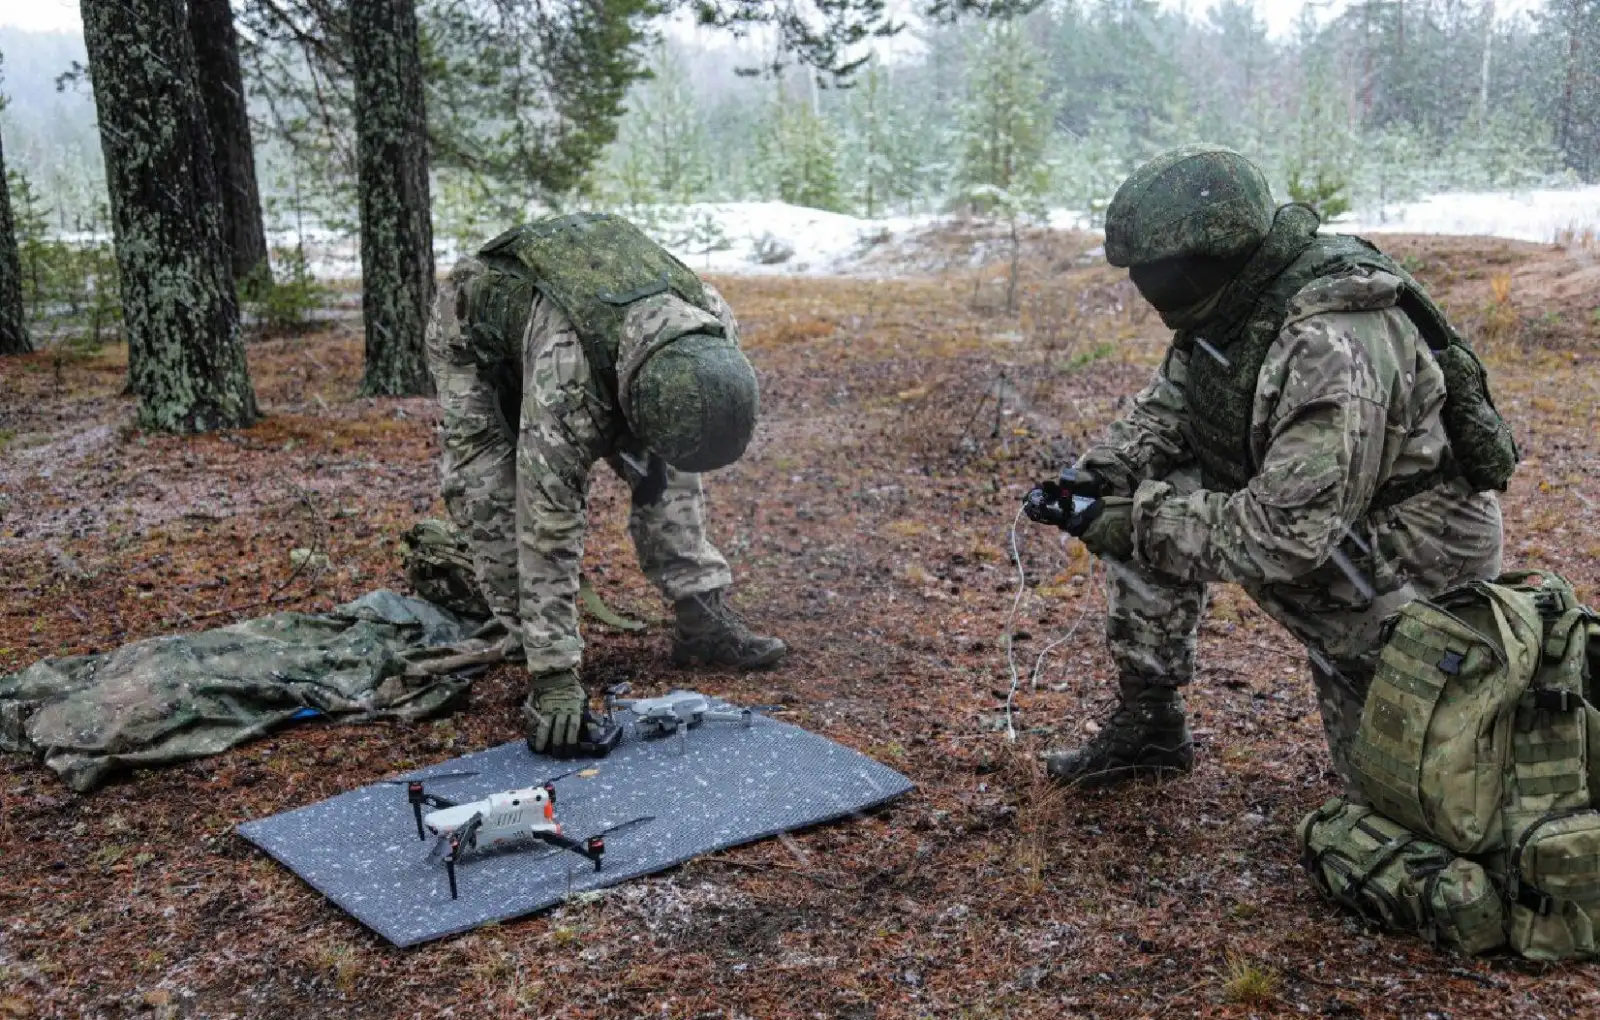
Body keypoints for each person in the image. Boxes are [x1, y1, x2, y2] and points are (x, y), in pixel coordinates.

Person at [1025, 144, 1516, 793]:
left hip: (1415, 557)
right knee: (1148, 495)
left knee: (1409, 802)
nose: (1146, 288)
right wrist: (1099, 478)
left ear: (1205, 259)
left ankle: (1431, 706)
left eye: (1154, 272)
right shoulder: (1236, 303)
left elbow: (1284, 535)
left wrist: (1131, 522)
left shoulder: (1331, 344)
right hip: (1334, 524)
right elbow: (1171, 408)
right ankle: (1150, 723)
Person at [424, 212, 786, 755]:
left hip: (605, 348)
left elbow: (673, 462)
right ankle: (538, 656)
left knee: (670, 476)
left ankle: (702, 620)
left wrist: (655, 462)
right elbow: (547, 521)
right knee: (492, 501)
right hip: (474, 335)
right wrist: (554, 675)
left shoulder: (710, 329)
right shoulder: (569, 384)